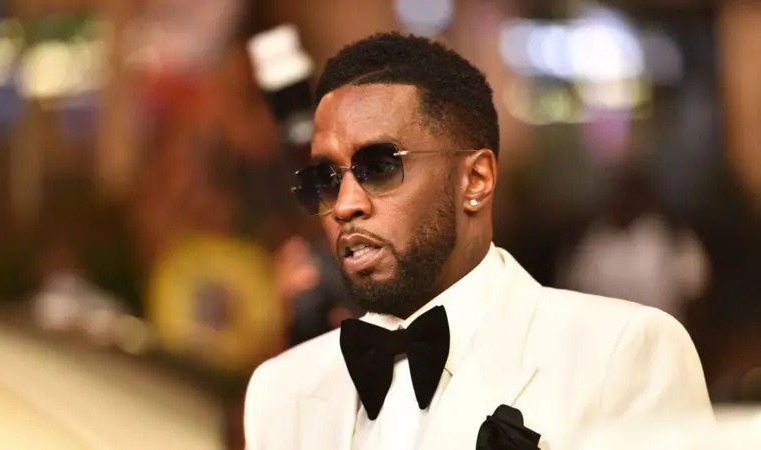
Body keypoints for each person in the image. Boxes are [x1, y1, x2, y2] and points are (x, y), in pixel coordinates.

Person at [243, 32, 712, 450]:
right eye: (326, 179)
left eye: (380, 167)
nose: (344, 205)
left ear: (476, 180)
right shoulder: (279, 391)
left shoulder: (622, 353)